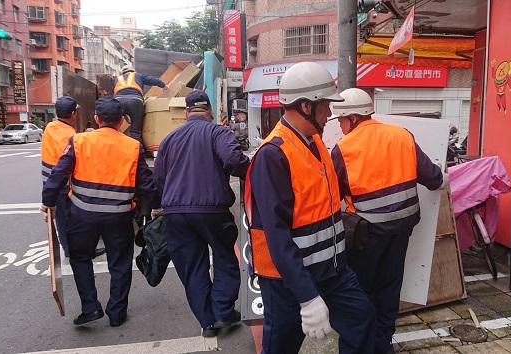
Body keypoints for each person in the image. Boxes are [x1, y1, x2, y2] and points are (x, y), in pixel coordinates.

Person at [244, 62, 376, 354]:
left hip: (333, 271)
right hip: (287, 282)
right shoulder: (273, 154)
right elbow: (276, 235)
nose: (330, 114)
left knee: (362, 320)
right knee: (281, 346)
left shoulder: (315, 141)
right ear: (305, 106)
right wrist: (306, 297)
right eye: (326, 106)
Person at [329, 88, 447, 354]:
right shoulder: (401, 136)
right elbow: (433, 178)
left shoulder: (344, 149)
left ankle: (366, 344)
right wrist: (443, 180)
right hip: (402, 229)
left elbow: (330, 194)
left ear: (354, 117)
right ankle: (383, 343)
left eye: (341, 120)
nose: (340, 125)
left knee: (361, 290)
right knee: (390, 286)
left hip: (366, 235)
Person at [40, 97, 157, 327]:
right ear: (122, 121)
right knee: (120, 263)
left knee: (80, 258)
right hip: (119, 218)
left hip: (83, 216)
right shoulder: (133, 146)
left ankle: (90, 307)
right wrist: (157, 206)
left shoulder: (79, 141)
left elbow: (58, 174)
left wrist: (48, 202)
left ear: (96, 119)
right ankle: (116, 312)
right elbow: (147, 183)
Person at [153, 90, 250, 337]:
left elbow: (159, 179)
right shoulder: (218, 132)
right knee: (225, 258)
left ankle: (207, 322)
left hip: (176, 212)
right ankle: (223, 312)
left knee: (192, 266)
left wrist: (165, 204)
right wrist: (249, 170)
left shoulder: (169, 139)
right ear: (209, 112)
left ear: (186, 113)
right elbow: (234, 160)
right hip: (213, 210)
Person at [40, 96, 105, 258]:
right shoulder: (70, 135)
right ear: (73, 113)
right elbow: (74, 150)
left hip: (50, 182)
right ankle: (75, 250)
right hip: (63, 184)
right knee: (71, 219)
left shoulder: (50, 127)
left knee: (62, 219)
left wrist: (83, 135)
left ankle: (69, 248)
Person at [114, 64, 169, 141]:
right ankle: (135, 148)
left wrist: (126, 117)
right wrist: (164, 86)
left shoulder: (117, 79)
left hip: (118, 101)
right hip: (135, 101)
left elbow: (123, 102)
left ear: (123, 73)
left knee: (114, 128)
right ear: (133, 71)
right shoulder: (138, 76)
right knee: (135, 130)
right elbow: (153, 80)